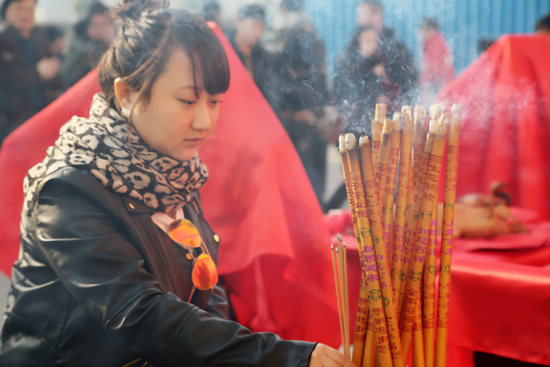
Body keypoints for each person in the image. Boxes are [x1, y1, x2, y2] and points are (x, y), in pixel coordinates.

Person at [0, 1, 354, 366]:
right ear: (126, 95)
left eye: (214, 102)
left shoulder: (173, 174)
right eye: (187, 100)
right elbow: (141, 315)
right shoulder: (69, 188)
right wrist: (286, 358)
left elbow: (207, 290)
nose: (205, 122)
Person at [0, 0, 62, 142]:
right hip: (11, 123)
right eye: (19, 8)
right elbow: (4, 81)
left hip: (42, 120)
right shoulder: (2, 42)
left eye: (30, 9)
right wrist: (37, 73)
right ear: (6, 12)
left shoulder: (41, 41)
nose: (25, 14)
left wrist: (53, 72)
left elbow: (58, 80)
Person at [333, 25, 395, 134]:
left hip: (373, 117)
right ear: (359, 42)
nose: (371, 44)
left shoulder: (378, 60)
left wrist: (382, 94)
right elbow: (351, 87)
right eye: (367, 40)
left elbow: (386, 87)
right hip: (352, 118)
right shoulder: (347, 61)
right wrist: (372, 74)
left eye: (374, 41)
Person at [355, 0, 417, 104]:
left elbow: (409, 79)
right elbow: (348, 76)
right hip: (362, 108)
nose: (359, 19)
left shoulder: (395, 47)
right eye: (359, 14)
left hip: (391, 109)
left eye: (363, 14)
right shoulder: (355, 44)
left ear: (377, 15)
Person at [229, 3, 276, 106]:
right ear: (238, 22)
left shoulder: (263, 56)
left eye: (261, 27)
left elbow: (270, 93)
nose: (258, 32)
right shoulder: (225, 52)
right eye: (254, 25)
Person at [61, 1, 116, 89]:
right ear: (89, 27)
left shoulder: (115, 46)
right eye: (97, 25)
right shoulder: (83, 49)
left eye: (104, 24)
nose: (100, 29)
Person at [418, 17, 454, 105]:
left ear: (431, 30)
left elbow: (436, 72)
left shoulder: (436, 46)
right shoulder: (431, 43)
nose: (420, 33)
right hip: (436, 87)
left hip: (437, 88)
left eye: (422, 29)